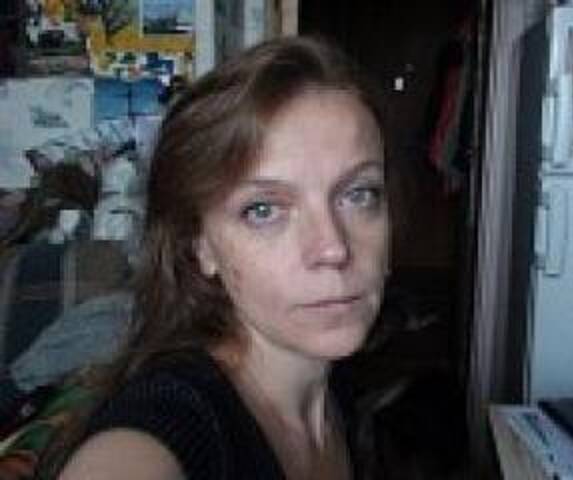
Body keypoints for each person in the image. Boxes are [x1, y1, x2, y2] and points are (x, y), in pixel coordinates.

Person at [42, 35, 390, 480]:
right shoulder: (171, 421)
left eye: (359, 194)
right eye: (262, 210)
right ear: (200, 245)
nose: (333, 248)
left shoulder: (349, 395)